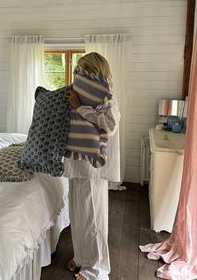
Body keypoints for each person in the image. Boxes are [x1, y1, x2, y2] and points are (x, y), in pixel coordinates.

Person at [64, 52, 121, 280]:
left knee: (93, 217)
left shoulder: (106, 98)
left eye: (85, 69)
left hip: (92, 166)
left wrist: (79, 107)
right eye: (79, 69)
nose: (81, 73)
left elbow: (110, 124)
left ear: (96, 71)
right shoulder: (79, 94)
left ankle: (96, 269)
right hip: (75, 162)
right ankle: (82, 257)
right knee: (78, 215)